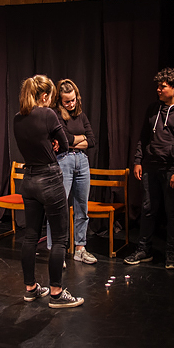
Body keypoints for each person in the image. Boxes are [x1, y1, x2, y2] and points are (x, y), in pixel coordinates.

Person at [14, 75, 84, 308]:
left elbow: (31, 145)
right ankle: (56, 293)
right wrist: (53, 143)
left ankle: (31, 289)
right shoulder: (48, 114)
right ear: (44, 96)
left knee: (30, 236)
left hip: (29, 179)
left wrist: (48, 143)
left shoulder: (17, 118)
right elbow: (64, 144)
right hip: (50, 179)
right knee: (60, 238)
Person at [124, 68, 174, 269]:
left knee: (173, 211)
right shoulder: (153, 109)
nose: (158, 90)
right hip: (151, 167)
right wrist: (138, 160)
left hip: (172, 169)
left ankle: (172, 253)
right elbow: (143, 136)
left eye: (162, 86)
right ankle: (144, 250)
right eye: (157, 86)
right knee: (148, 208)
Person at [45, 79, 97, 264]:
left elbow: (92, 140)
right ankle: (55, 251)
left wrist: (74, 141)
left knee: (82, 207)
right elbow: (64, 140)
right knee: (58, 207)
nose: (71, 104)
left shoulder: (81, 116)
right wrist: (79, 139)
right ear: (60, 101)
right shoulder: (57, 114)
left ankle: (80, 249)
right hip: (64, 161)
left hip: (82, 161)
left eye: (73, 100)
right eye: (67, 101)